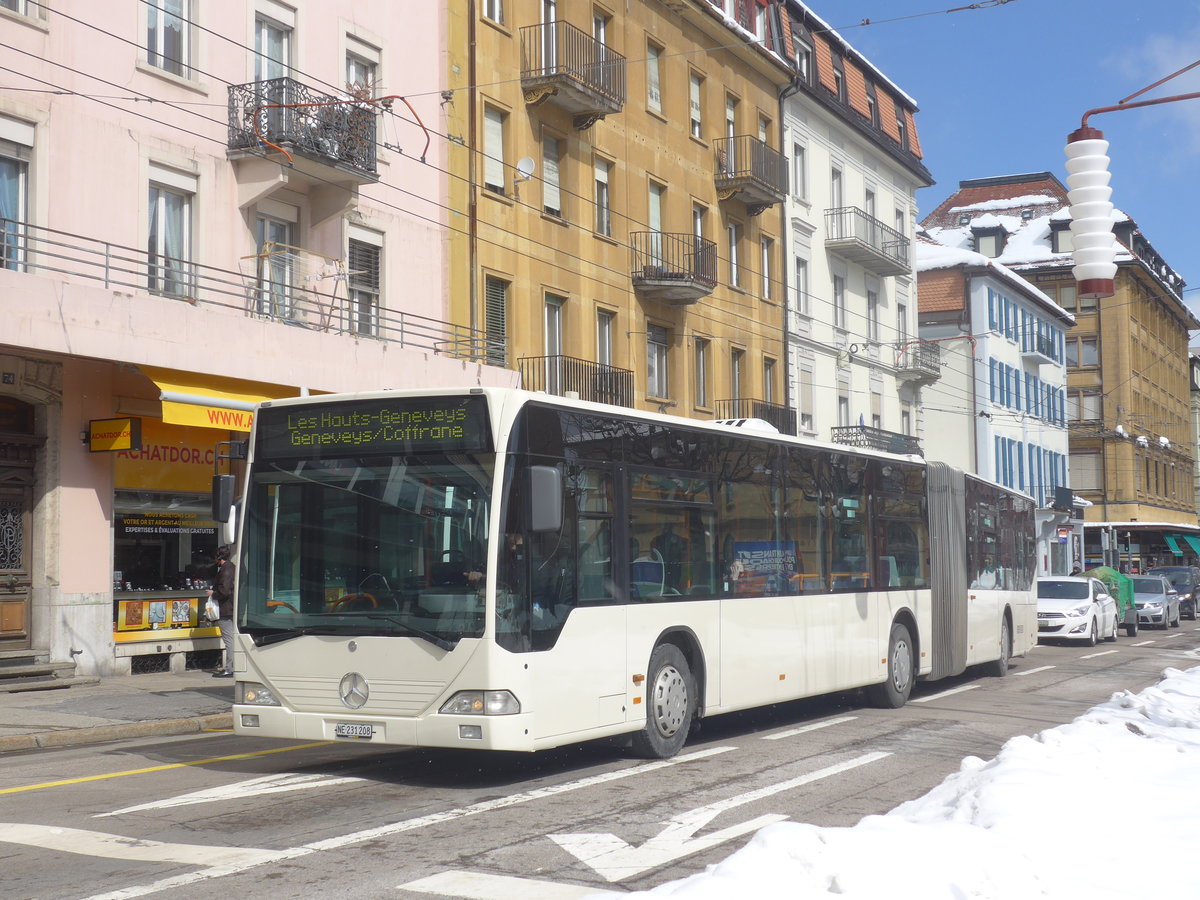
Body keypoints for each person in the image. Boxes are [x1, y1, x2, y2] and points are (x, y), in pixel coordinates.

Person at [209, 544, 236, 678]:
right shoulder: (232, 567)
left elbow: (224, 591)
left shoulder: (225, 570)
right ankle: (232, 667)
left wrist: (212, 593)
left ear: (218, 557)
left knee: (228, 639)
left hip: (225, 609)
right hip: (232, 608)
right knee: (232, 638)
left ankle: (230, 669)